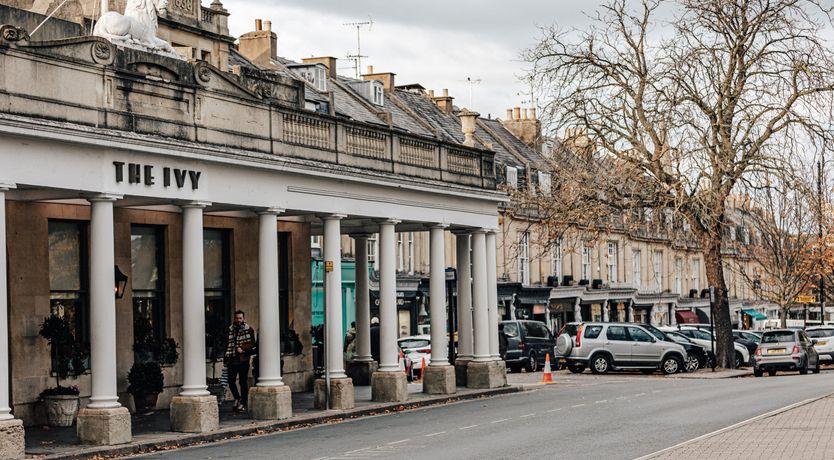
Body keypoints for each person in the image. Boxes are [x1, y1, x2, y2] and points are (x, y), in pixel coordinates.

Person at [224, 310, 255, 413]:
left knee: (243, 382)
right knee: (231, 381)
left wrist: (242, 348)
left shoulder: (249, 329)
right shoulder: (230, 330)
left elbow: (252, 343)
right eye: (237, 318)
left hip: (243, 360)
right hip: (232, 360)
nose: (238, 320)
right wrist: (226, 358)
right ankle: (238, 398)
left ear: (243, 318)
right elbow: (226, 344)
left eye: (240, 318)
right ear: (234, 318)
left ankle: (243, 403)